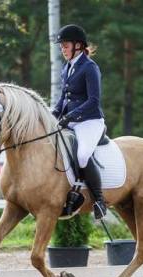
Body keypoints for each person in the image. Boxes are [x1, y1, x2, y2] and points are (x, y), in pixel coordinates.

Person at [52, 24, 106, 219]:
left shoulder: (90, 67)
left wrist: (70, 116)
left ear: (77, 45)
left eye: (65, 45)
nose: (62, 49)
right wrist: (53, 114)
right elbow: (63, 99)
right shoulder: (66, 68)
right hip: (72, 121)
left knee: (82, 155)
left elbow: (93, 101)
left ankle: (99, 201)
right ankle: (70, 192)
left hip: (90, 121)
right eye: (61, 46)